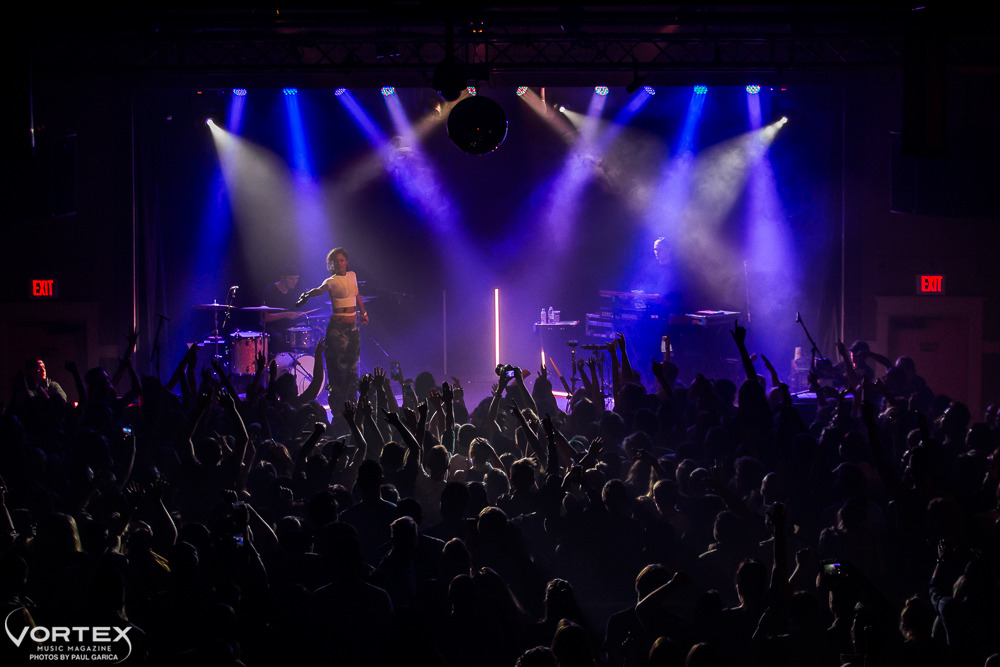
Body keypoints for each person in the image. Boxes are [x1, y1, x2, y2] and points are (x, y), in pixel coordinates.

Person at [296, 247, 369, 402]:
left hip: (353, 326)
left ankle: (352, 399)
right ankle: (339, 401)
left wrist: (364, 313)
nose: (339, 263)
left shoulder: (353, 275)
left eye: (341, 260)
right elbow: (320, 289)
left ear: (346, 262)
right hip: (338, 328)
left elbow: (357, 295)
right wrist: (307, 295)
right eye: (335, 261)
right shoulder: (332, 280)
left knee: (352, 365)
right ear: (332, 265)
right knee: (339, 366)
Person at [261, 265, 306, 354]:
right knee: (279, 338)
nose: (295, 282)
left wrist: (298, 314)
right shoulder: (270, 291)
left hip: (288, 328)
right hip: (273, 328)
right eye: (291, 279)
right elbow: (265, 318)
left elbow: (291, 313)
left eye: (296, 279)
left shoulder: (292, 293)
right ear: (282, 277)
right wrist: (286, 314)